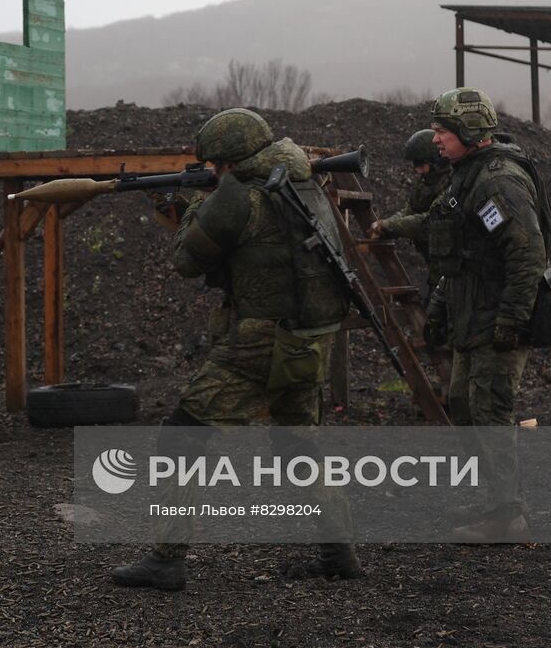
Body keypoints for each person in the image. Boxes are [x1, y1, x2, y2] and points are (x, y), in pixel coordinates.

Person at [111, 108, 363, 590]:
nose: (212, 172)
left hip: (259, 343)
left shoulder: (237, 197)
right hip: (310, 339)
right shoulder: (302, 183)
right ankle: (338, 551)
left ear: (226, 162)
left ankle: (166, 559)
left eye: (214, 165)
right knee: (297, 443)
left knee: (183, 435)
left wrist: (191, 207)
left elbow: (187, 261)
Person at [423, 87, 548, 541]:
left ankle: (507, 517)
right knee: (462, 402)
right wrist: (440, 307)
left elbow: (527, 255)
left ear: (468, 131)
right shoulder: (467, 176)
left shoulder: (497, 182)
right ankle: (497, 498)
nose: (435, 139)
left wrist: (510, 322)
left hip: (495, 322)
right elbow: (462, 254)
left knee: (490, 412)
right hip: (471, 319)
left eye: (442, 130)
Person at [369, 129, 451, 290]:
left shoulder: (453, 184)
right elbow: (410, 209)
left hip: (454, 269)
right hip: (437, 265)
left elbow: (429, 222)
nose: (417, 170)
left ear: (436, 161)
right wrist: (383, 225)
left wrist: (389, 226)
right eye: (415, 164)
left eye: (420, 164)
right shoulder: (425, 183)